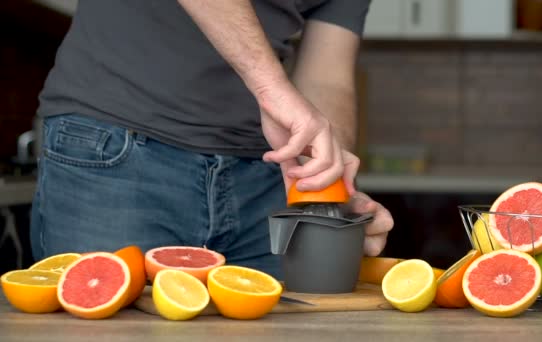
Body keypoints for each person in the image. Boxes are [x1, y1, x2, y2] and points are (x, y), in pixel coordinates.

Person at [30, 0, 393, 278]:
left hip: (263, 178)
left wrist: (331, 188)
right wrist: (272, 89)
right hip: (117, 153)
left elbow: (328, 76)